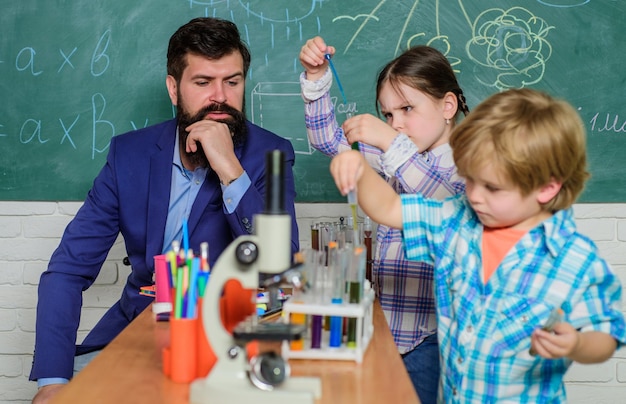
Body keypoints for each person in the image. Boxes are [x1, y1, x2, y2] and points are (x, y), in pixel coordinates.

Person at [30, 17, 299, 403]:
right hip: (134, 337)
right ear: (174, 88)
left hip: (226, 346)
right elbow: (68, 270)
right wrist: (53, 380)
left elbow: (280, 268)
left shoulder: (271, 155)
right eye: (203, 83)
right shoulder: (129, 155)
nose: (220, 97)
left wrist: (230, 171)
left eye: (233, 82)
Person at [329, 88, 626, 402]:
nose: (474, 195)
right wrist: (357, 168)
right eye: (469, 179)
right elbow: (389, 208)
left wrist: (577, 344)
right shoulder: (456, 221)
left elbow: (606, 334)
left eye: (492, 187)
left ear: (547, 187)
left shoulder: (574, 259)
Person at [299, 37, 469, 403]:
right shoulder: (398, 156)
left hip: (431, 338)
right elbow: (328, 141)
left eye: (407, 109)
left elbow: (439, 197)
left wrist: (391, 141)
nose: (397, 123)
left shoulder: (469, 164)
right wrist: (317, 78)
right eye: (389, 114)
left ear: (448, 106)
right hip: (385, 329)